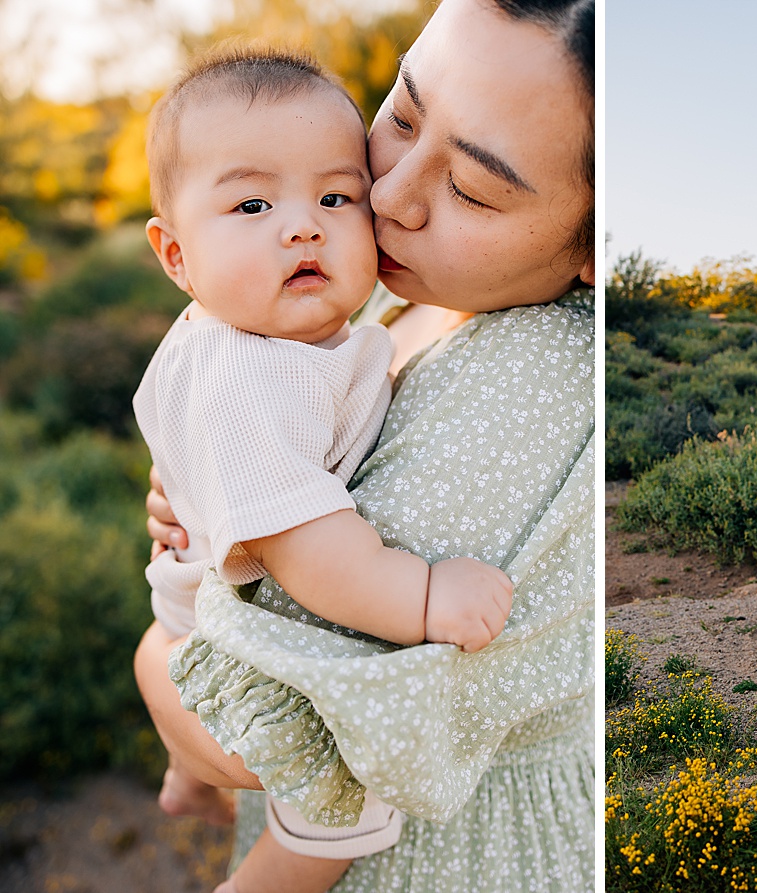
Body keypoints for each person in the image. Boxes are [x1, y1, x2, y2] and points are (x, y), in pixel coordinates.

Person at [133, 0, 596, 890]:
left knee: (329, 815)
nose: (382, 196)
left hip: (432, 842)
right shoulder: (374, 295)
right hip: (209, 609)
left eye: (471, 188)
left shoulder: (537, 374)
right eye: (404, 114)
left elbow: (301, 721)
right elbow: (296, 519)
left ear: (590, 243)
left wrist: (151, 668)